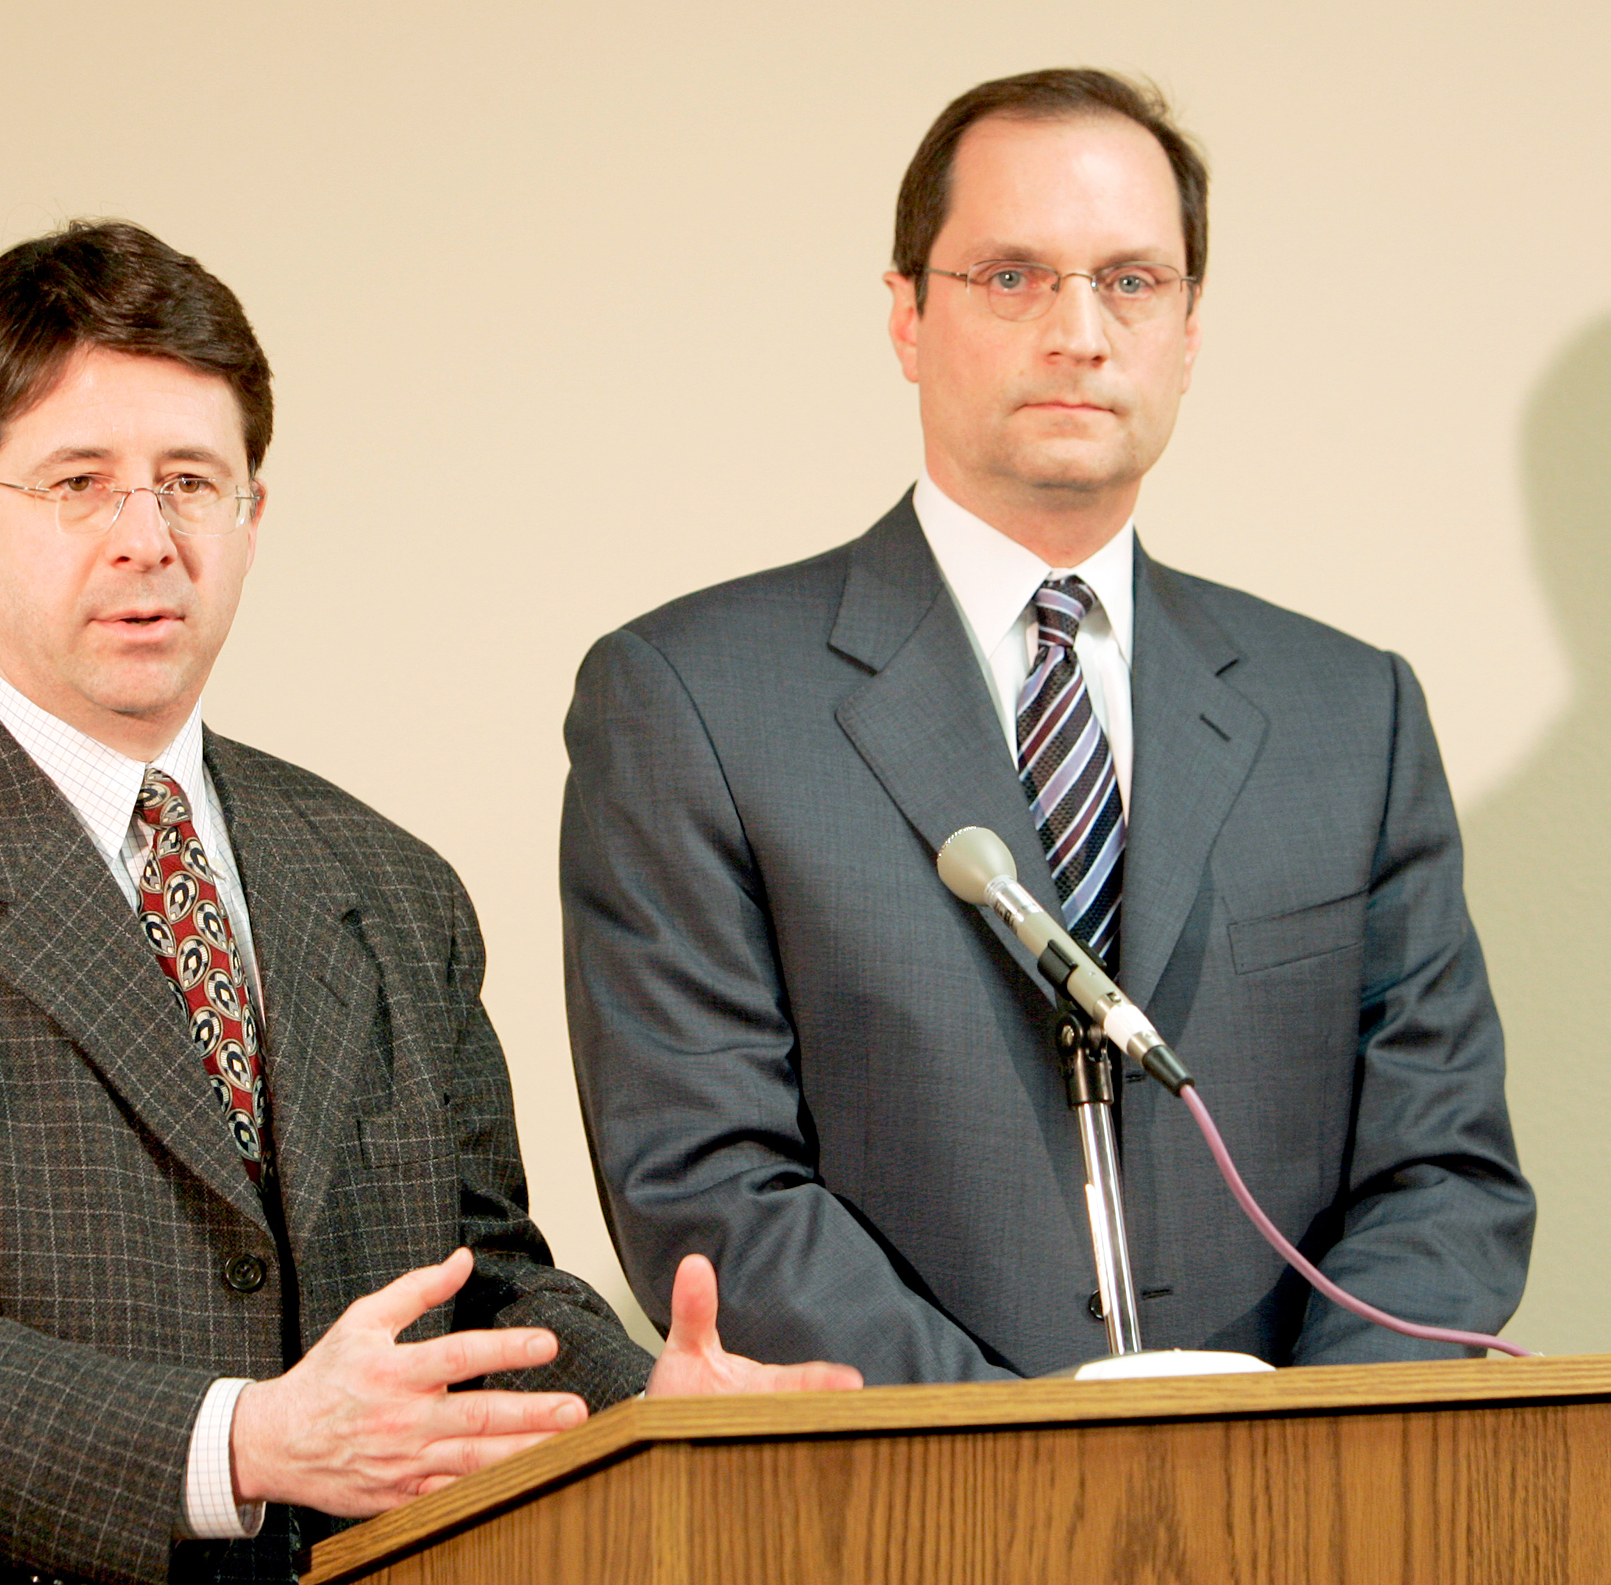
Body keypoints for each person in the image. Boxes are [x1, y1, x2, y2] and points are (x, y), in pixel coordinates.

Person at [0, 221, 858, 1585]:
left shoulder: (388, 881)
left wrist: (647, 1418)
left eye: (190, 482)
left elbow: (484, 1285)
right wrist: (241, 1443)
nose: (147, 540)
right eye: (78, 485)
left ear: (252, 515)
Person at [560, 69, 1534, 1384]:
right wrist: (1025, 1467)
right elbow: (709, 1178)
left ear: (1191, 326)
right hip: (898, 1512)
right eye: (1012, 277)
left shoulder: (1350, 715)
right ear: (906, 314)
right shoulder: (692, 697)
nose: (1079, 331)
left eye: (1132, 280)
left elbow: (1442, 1164)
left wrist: (1314, 1458)